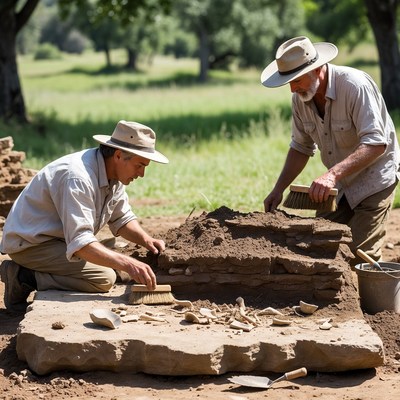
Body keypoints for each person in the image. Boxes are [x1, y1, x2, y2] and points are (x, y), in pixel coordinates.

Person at [0, 120, 169, 311]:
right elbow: (80, 243)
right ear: (119, 155)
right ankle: (22, 277)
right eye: (140, 165)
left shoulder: (113, 174)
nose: (142, 173)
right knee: (104, 278)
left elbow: (121, 219)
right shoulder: (78, 177)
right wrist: (128, 264)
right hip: (31, 244)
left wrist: (147, 240)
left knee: (116, 258)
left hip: (61, 240)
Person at [261, 36, 400, 265]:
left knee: (357, 255)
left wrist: (332, 174)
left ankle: (372, 297)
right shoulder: (300, 99)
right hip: (340, 187)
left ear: (317, 69)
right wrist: (279, 189)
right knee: (318, 246)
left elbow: (376, 144)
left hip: (375, 179)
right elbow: (301, 147)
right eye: (289, 82)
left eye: (297, 80)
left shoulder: (355, 86)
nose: (293, 89)